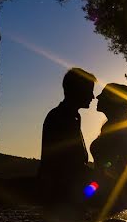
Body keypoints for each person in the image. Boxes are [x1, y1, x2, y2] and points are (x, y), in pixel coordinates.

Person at [39, 67, 95, 210]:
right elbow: (67, 165)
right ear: (78, 90)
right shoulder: (60, 118)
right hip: (60, 201)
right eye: (90, 90)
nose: (93, 96)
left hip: (66, 198)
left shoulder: (73, 117)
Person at [90, 83, 127, 206]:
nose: (98, 97)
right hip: (103, 194)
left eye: (103, 95)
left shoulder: (122, 130)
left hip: (111, 199)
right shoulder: (111, 127)